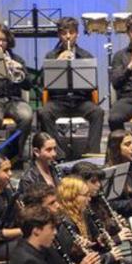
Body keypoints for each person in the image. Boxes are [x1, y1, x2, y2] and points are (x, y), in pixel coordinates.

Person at [37, 16, 105, 158]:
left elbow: (92, 84)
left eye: (72, 32)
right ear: (59, 35)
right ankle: (59, 154)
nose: (68, 36)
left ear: (77, 34)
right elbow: (42, 83)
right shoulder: (51, 56)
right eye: (64, 33)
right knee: (43, 113)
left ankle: (92, 153)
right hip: (58, 101)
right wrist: (58, 62)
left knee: (98, 112)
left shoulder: (86, 56)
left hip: (80, 101)